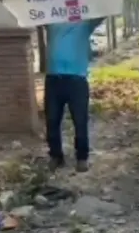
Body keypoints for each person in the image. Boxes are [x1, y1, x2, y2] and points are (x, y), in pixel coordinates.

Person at [44, 17, 106, 173]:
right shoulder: (50, 18)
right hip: (53, 78)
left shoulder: (85, 22)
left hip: (77, 79)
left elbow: (102, 12)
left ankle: (82, 157)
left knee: (80, 120)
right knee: (52, 120)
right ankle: (56, 155)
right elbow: (30, 13)